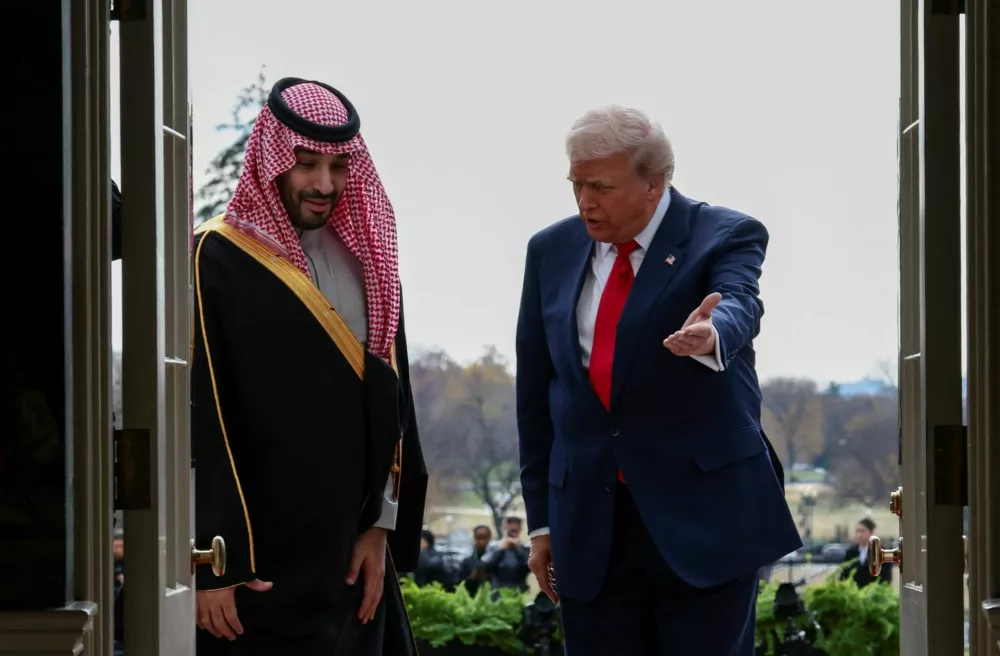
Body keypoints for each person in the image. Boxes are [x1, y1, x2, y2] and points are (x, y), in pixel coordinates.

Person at [515, 105, 802, 655]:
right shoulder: (549, 250)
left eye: (600, 186)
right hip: (591, 528)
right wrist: (542, 524)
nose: (584, 202)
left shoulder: (724, 234)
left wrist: (714, 333)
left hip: (705, 522)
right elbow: (537, 395)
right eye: (575, 184)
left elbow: (740, 301)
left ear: (655, 183)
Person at [191, 77, 427, 655]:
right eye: (306, 164)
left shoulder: (371, 262)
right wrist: (214, 560)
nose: (324, 184)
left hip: (350, 560)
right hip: (255, 567)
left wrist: (381, 527)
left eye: (339, 165)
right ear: (273, 163)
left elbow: (392, 406)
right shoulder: (214, 258)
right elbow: (202, 420)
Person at [840, 517, 893, 587]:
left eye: (862, 531)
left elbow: (886, 579)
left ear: (871, 532)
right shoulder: (851, 552)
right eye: (857, 531)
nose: (859, 534)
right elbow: (843, 575)